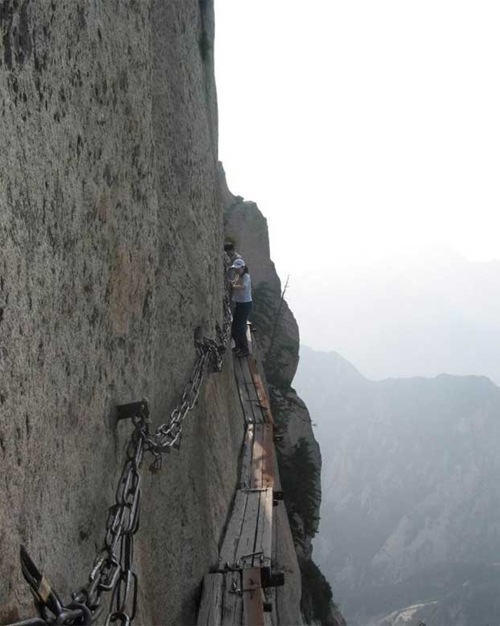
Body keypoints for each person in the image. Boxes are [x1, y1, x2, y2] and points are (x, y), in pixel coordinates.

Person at [230, 258, 252, 357]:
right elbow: (234, 282)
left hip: (245, 304)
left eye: (238, 268)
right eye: (235, 268)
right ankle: (238, 347)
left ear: (243, 267)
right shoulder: (238, 275)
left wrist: (233, 287)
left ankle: (245, 350)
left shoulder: (246, 276)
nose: (236, 270)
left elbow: (244, 286)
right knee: (234, 326)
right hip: (240, 303)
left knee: (240, 327)